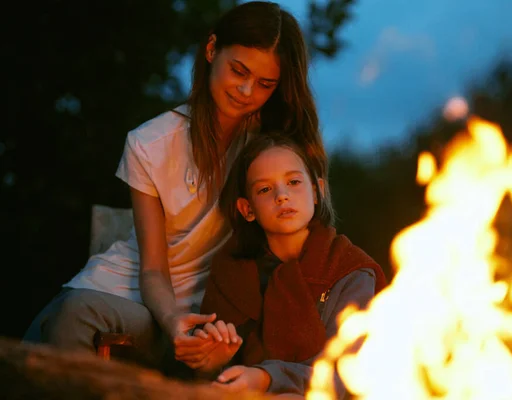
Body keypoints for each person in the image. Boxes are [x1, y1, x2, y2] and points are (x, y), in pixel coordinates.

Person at [23, 1, 328, 373]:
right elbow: (152, 269)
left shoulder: (269, 152)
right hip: (139, 302)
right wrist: (172, 322)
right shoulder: (150, 142)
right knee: (71, 314)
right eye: (239, 71)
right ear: (212, 49)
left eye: (265, 84)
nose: (247, 90)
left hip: (218, 311)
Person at [184, 134, 387, 396]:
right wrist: (214, 362)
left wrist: (268, 378)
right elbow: (207, 374)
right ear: (247, 209)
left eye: (293, 182)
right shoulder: (231, 272)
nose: (282, 196)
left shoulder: (350, 270)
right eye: (265, 189)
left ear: (317, 191)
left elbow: (349, 370)